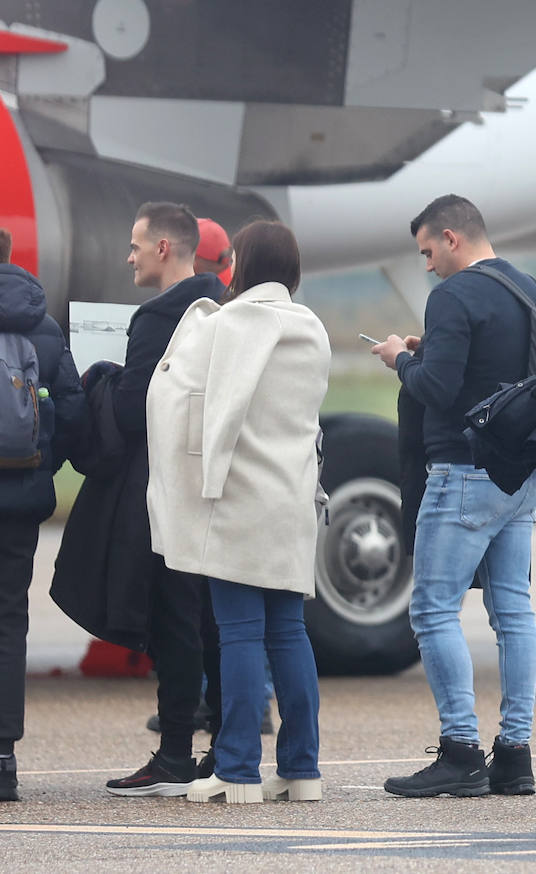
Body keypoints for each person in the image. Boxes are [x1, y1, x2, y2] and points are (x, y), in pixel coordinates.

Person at [146, 220, 330, 803]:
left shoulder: (232, 324)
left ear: (243, 264)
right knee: (289, 634)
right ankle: (301, 769)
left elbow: (191, 400)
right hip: (292, 498)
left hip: (237, 500)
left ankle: (237, 769)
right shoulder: (312, 328)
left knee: (241, 636)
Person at [371, 195, 536, 798]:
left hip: (461, 472)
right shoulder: (525, 288)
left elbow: (438, 390)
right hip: (516, 474)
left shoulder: (452, 296)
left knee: (433, 610)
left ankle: (461, 751)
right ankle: (515, 754)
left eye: (426, 251)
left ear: (451, 238)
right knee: (513, 613)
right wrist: (430, 354)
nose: (425, 266)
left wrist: (400, 359)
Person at [51, 203, 223, 797]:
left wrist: (101, 377)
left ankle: (175, 751)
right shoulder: (223, 310)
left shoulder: (156, 319)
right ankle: (226, 748)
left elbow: (131, 414)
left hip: (167, 490)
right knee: (215, 620)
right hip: (218, 488)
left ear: (164, 249)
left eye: (135, 244)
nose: (128, 255)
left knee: (174, 622)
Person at [0, 230, 86, 801]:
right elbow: (75, 417)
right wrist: (42, 467)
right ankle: (3, 759)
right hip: (23, 495)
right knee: (9, 622)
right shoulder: (45, 326)